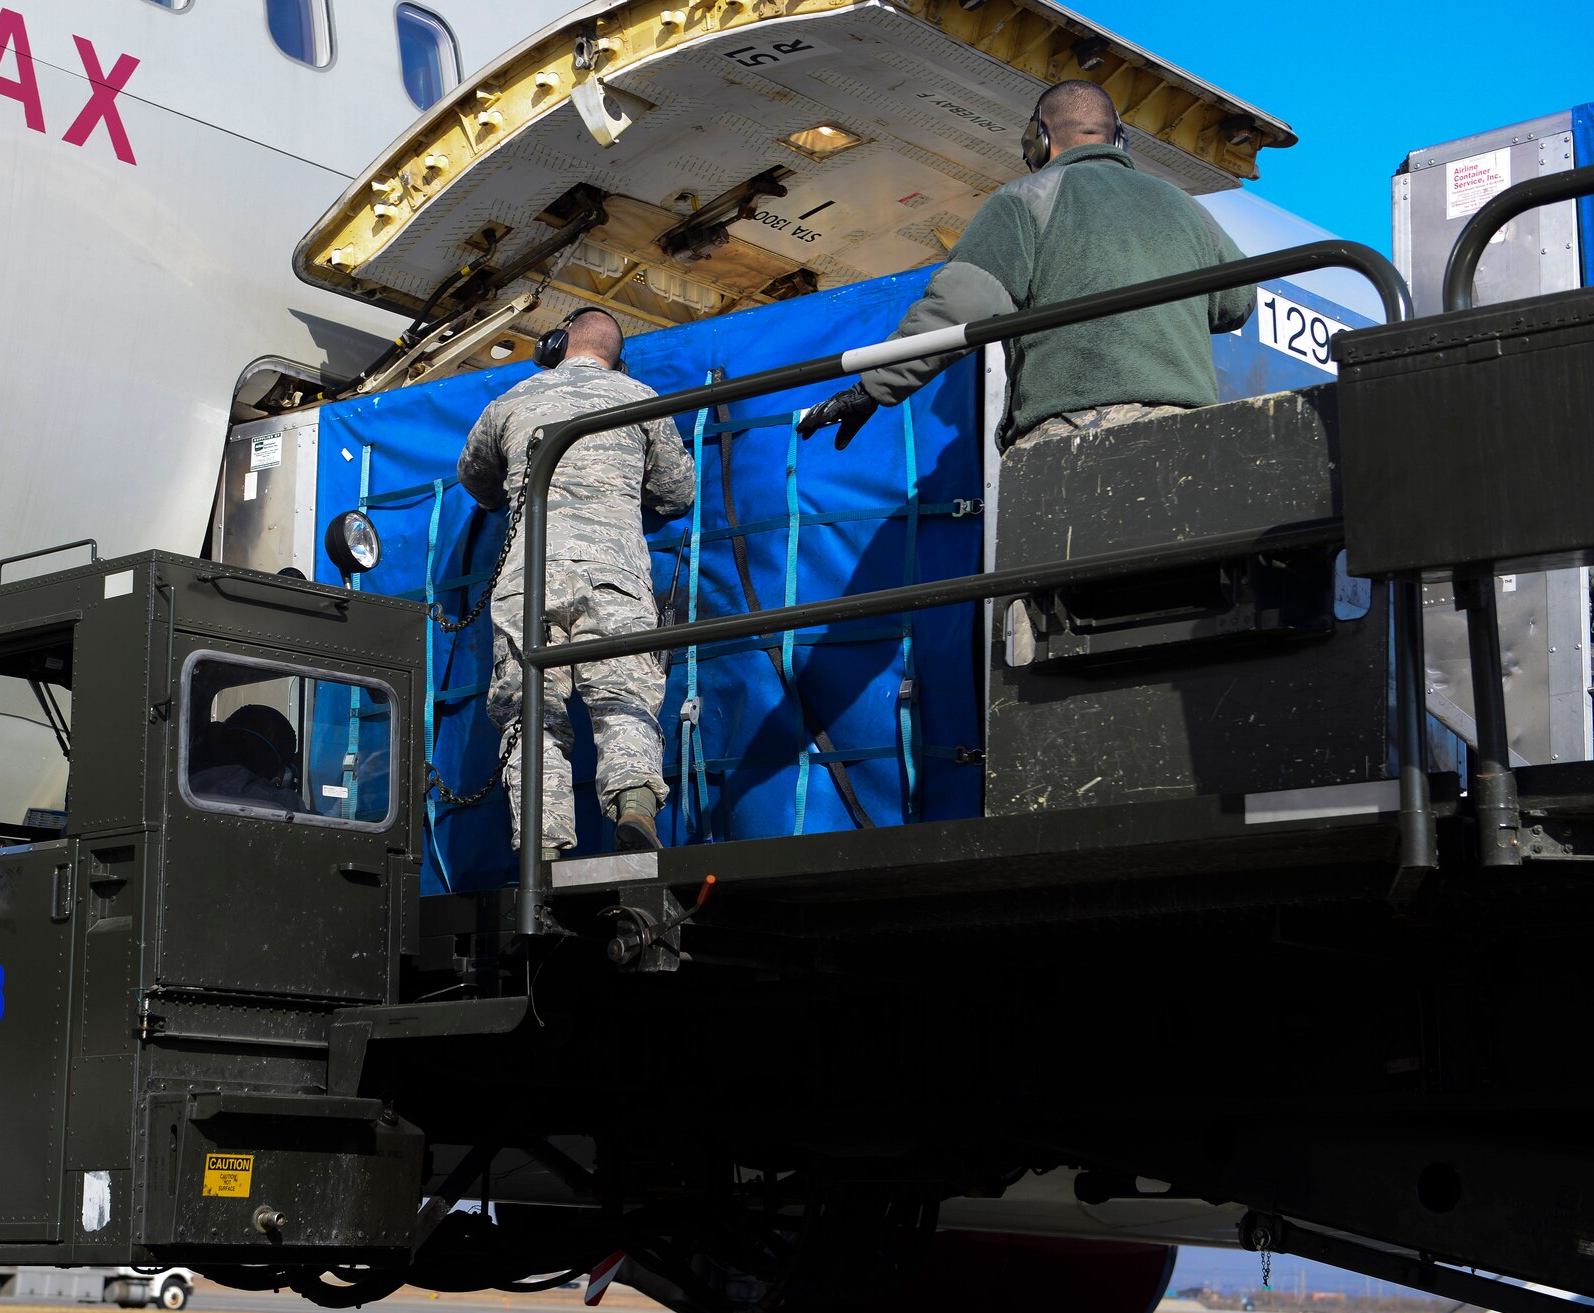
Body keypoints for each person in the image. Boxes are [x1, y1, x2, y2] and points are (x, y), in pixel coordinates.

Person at [797, 79, 1255, 451]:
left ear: (1038, 140)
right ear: (1119, 139)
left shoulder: (1025, 199)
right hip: (1188, 428)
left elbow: (963, 305)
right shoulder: (1185, 207)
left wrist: (872, 388)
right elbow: (1237, 302)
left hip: (1078, 426)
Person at [458, 306, 695, 857]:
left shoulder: (511, 400)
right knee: (623, 697)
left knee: (531, 714)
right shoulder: (641, 398)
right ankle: (634, 809)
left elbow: (475, 478)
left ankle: (542, 848)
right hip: (612, 575)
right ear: (618, 358)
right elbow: (677, 494)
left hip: (527, 582)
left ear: (555, 344)